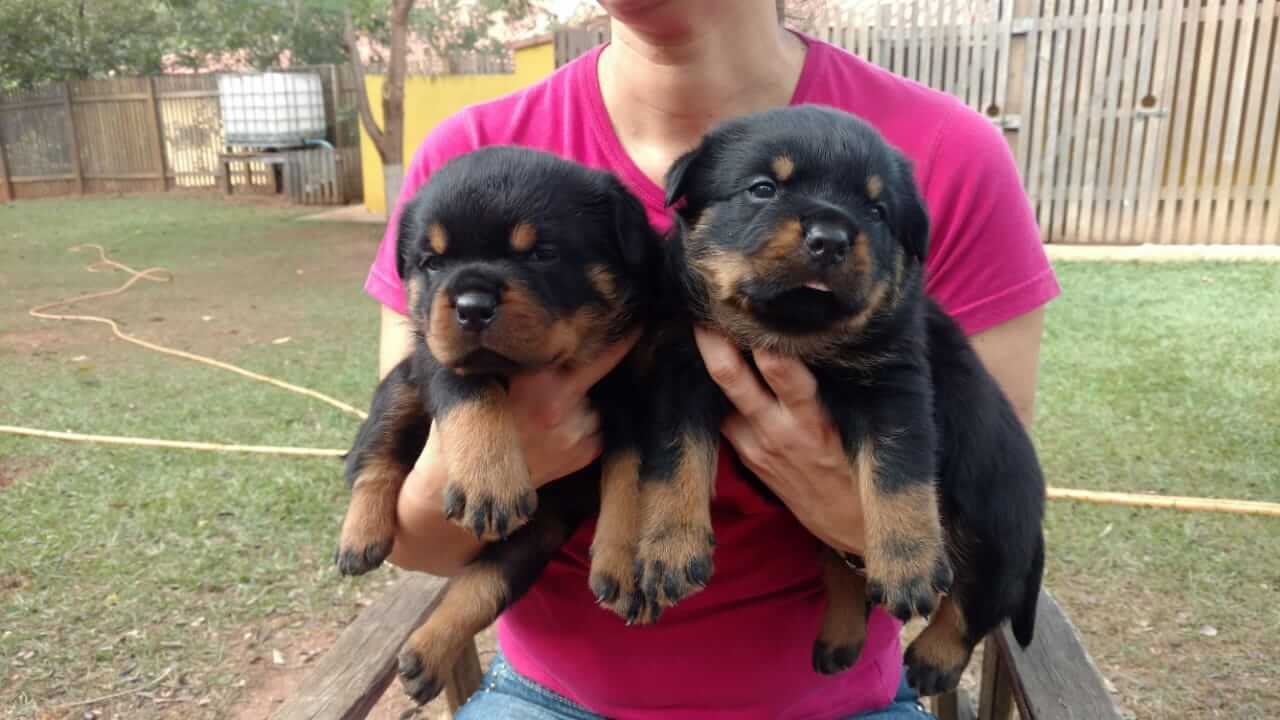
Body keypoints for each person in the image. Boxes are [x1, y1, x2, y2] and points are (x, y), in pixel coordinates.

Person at [363, 1, 1060, 717]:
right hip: (551, 695)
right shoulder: (469, 154)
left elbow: (992, 489)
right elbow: (412, 534)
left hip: (838, 703)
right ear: (686, 211)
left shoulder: (952, 153)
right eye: (763, 190)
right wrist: (506, 451)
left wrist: (850, 522)